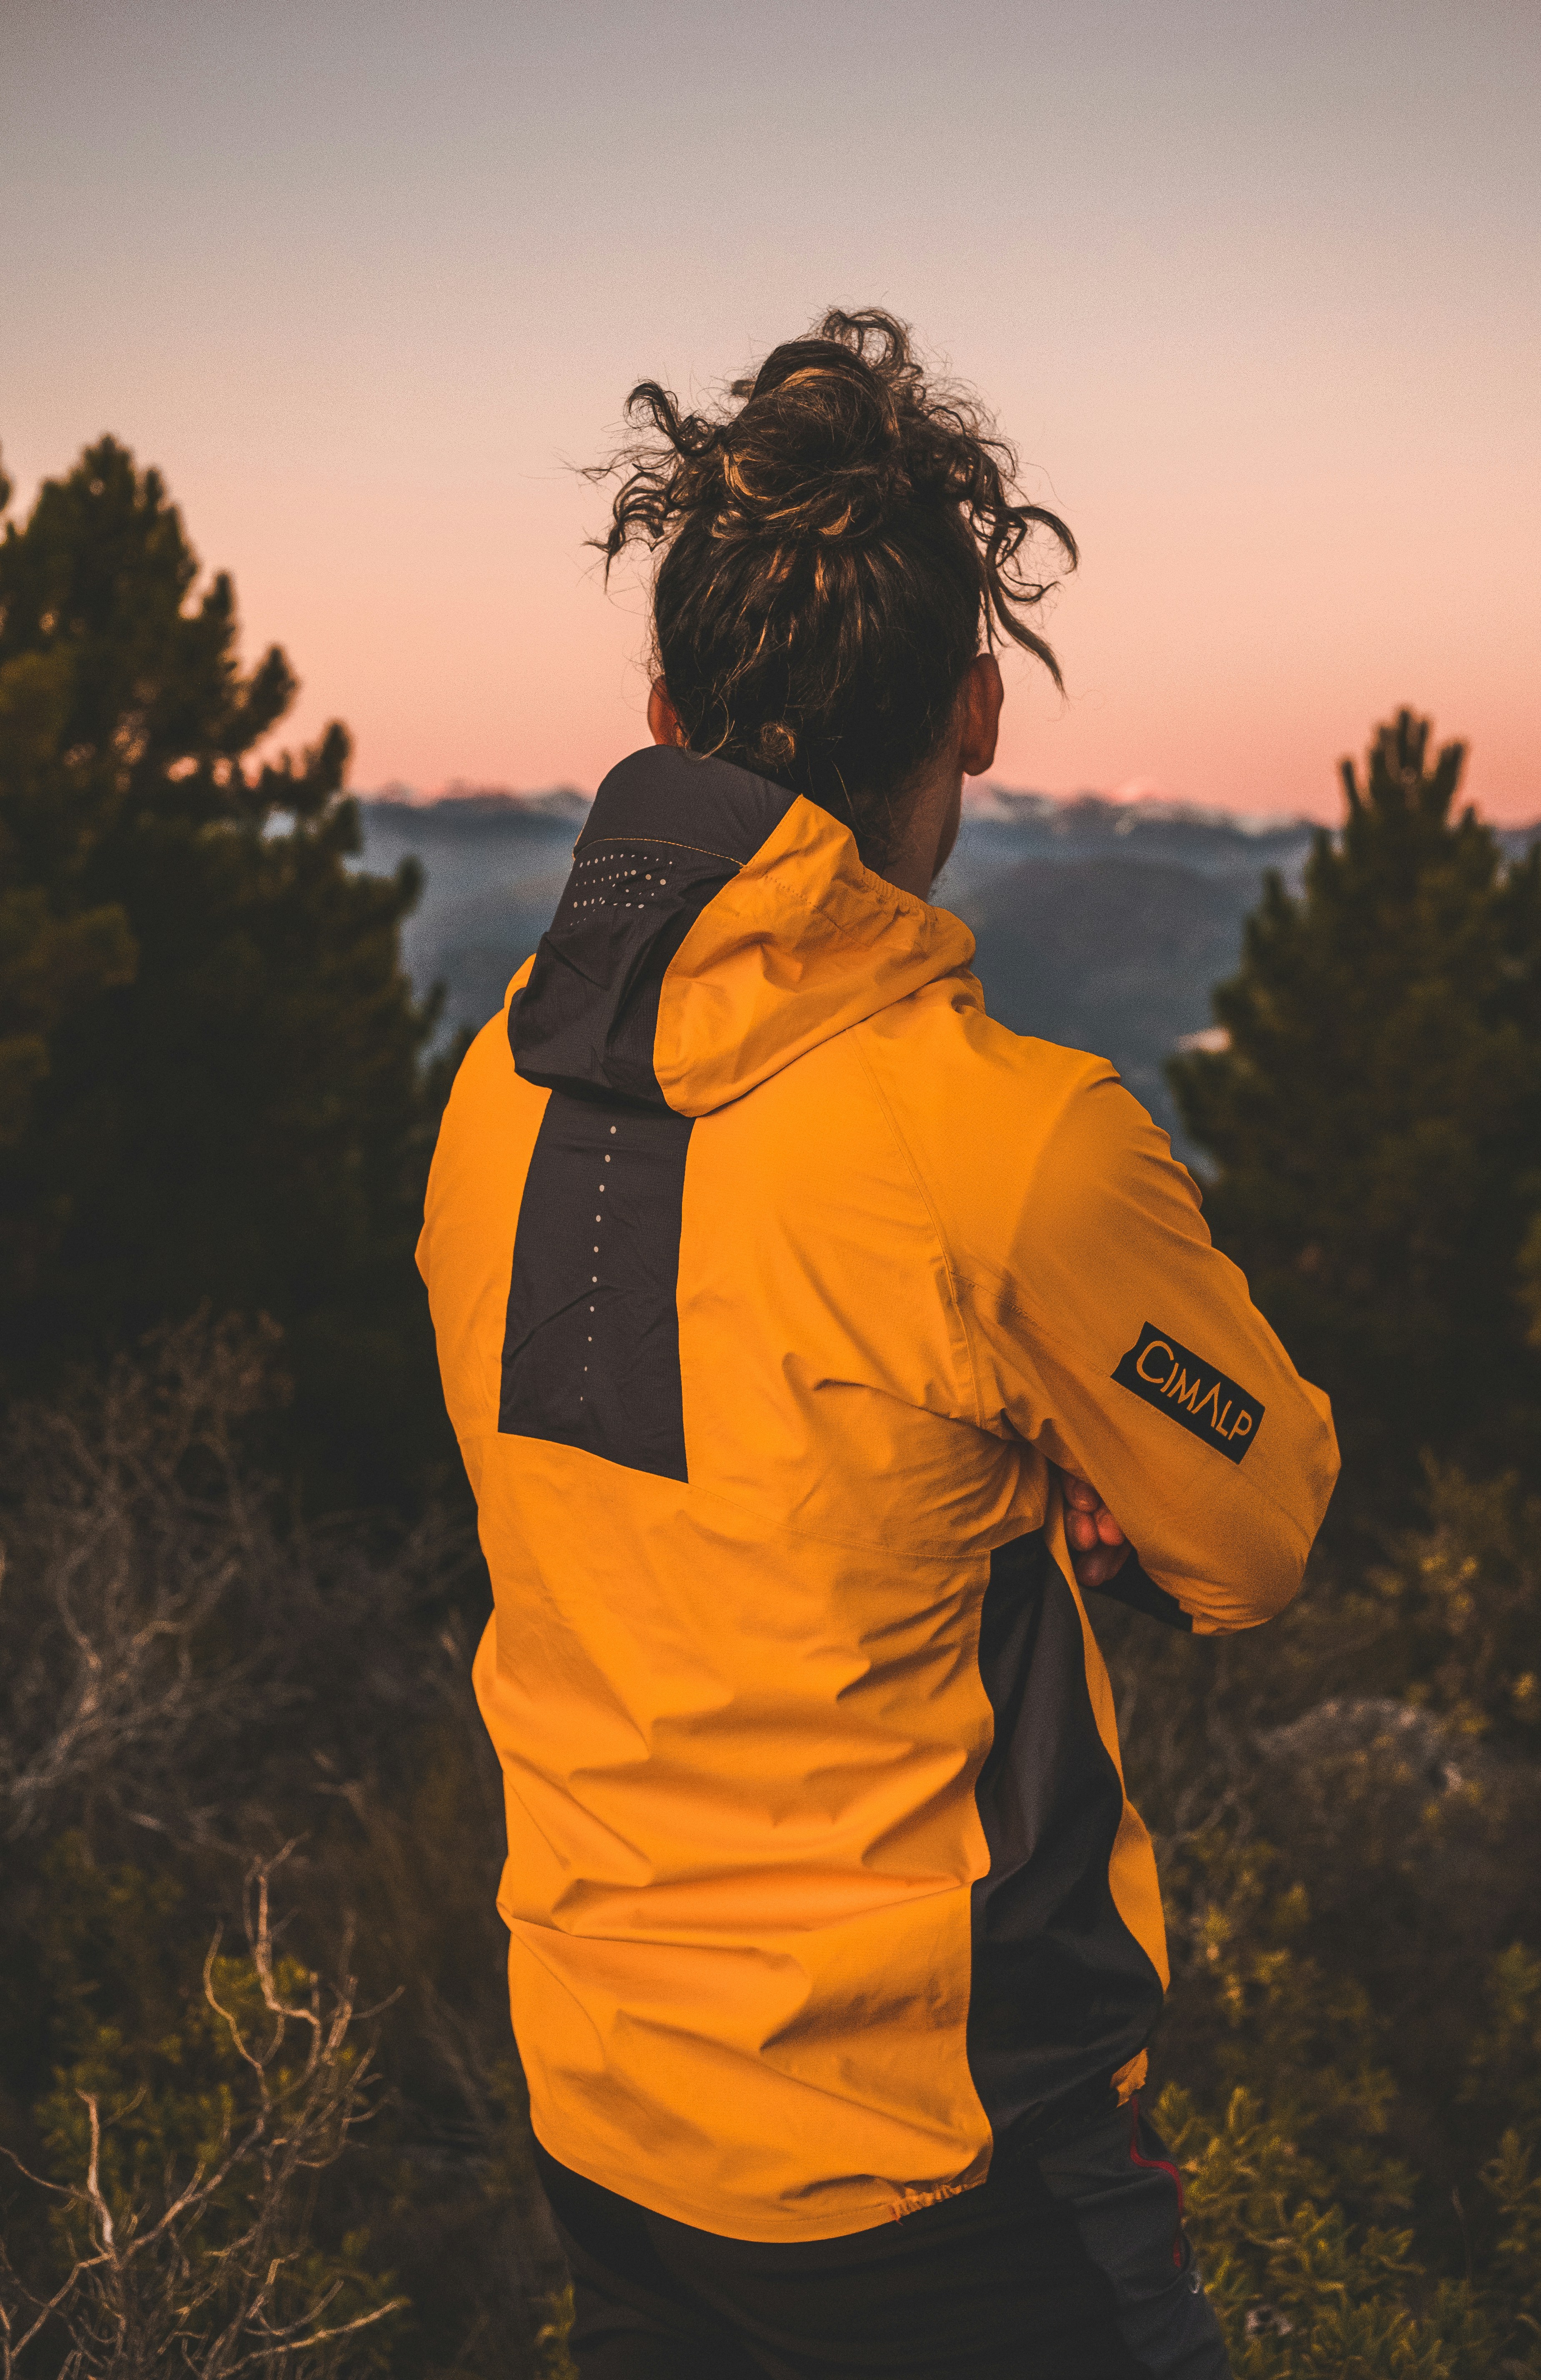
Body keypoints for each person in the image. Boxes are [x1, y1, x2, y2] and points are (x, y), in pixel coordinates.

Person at [418, 309, 1339, 2379]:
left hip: (607, 2104)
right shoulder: (1013, 1146)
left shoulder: (492, 1094)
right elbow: (1257, 1533)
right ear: (977, 705)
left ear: (662, 714)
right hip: (939, 2171)